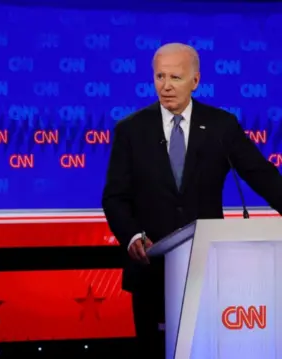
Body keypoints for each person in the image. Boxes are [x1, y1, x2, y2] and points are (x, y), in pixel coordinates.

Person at [102, 42, 282, 358]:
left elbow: (261, 176)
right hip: (151, 269)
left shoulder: (220, 126)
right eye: (160, 76)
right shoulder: (131, 130)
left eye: (175, 77)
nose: (166, 86)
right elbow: (115, 197)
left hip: (208, 267)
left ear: (195, 81)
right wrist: (131, 236)